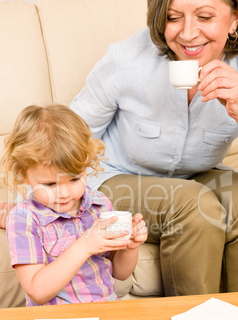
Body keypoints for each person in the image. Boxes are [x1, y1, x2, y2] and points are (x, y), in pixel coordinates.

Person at [68, 0, 238, 296]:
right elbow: (69, 136)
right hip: (114, 177)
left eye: (205, 16)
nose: (187, 33)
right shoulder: (127, 59)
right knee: (192, 203)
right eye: (173, 18)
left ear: (235, 20)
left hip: (193, 176)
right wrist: (32, 201)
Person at [0, 104, 147, 306]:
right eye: (50, 184)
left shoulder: (100, 205)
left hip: (108, 311)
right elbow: (37, 291)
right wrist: (85, 245)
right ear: (23, 174)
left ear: (87, 166)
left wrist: (129, 248)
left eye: (74, 179)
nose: (64, 193)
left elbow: (120, 274)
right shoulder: (24, 217)